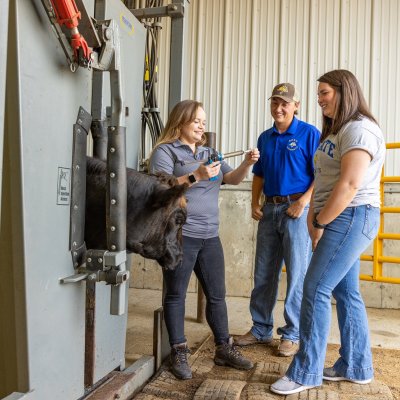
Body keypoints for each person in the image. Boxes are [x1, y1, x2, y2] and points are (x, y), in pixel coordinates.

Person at [271, 70, 386, 395]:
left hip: (351, 216)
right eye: (319, 94)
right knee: (345, 292)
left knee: (315, 288)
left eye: (325, 93)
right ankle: (356, 365)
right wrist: (316, 219)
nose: (319, 100)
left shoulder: (360, 129)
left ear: (343, 91)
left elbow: (349, 185)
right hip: (339, 218)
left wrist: (319, 221)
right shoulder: (340, 130)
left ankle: (305, 372)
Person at [149, 99, 260, 380]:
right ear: (181, 122)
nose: (202, 125)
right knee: (175, 295)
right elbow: (159, 189)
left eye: (204, 121)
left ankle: (224, 348)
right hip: (179, 235)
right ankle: (179, 351)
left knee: (217, 295)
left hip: (210, 234)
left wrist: (247, 163)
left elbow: (232, 179)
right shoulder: (165, 152)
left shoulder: (211, 152)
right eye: (197, 120)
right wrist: (195, 175)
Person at [235, 83, 320, 357]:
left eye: (285, 103)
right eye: (275, 102)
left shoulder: (309, 134)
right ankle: (260, 328)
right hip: (269, 211)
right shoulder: (265, 137)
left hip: (297, 211)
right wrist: (254, 202)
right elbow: (258, 173)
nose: (279, 108)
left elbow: (322, 175)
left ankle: (292, 334)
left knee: (297, 274)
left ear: (296, 105)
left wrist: (303, 202)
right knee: (263, 273)